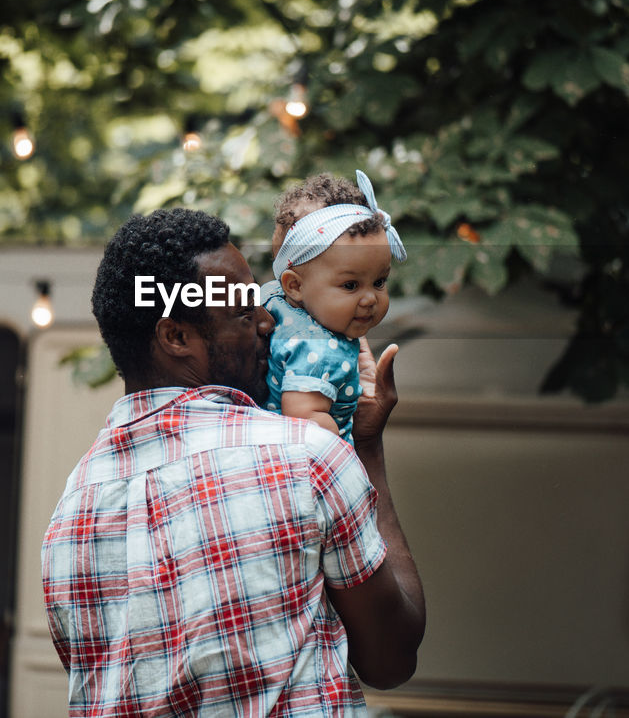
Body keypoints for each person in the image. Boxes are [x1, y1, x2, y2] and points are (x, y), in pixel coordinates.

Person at [42, 208, 425, 717]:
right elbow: (391, 658)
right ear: (176, 337)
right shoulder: (306, 459)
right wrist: (369, 447)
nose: (268, 321)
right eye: (245, 313)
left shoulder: (70, 514)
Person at [261, 171, 406, 441]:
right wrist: (343, 445)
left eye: (379, 281)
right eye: (350, 285)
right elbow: (304, 420)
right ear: (295, 286)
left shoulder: (272, 299)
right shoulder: (320, 348)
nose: (370, 299)